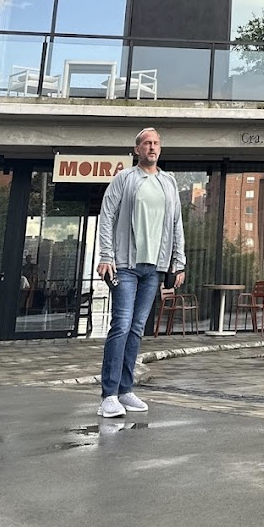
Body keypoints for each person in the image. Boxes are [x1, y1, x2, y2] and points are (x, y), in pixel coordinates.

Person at [96, 127, 186, 418]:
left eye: (156, 143)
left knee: (136, 328)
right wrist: (106, 256)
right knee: (121, 325)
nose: (152, 147)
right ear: (137, 149)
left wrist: (179, 261)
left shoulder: (168, 182)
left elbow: (176, 223)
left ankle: (126, 390)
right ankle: (109, 395)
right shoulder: (124, 179)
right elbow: (107, 216)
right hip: (125, 265)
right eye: (147, 143)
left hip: (154, 268)